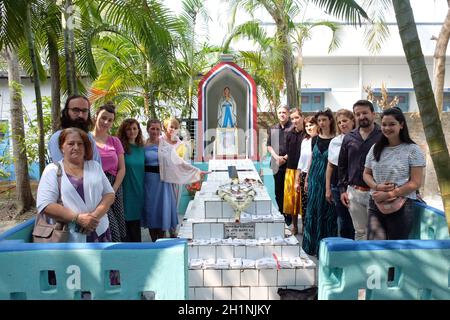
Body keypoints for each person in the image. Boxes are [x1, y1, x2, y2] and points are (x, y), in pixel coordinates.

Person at [37, 128, 115, 243]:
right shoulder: (52, 170)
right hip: (69, 237)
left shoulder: (94, 166)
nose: (76, 147)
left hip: (99, 230)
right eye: (70, 143)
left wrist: (94, 217)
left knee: (101, 261)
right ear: (61, 147)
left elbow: (109, 194)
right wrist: (78, 218)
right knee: (73, 262)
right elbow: (45, 205)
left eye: (80, 144)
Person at [363, 107, 425, 240]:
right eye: (384, 124)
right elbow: (366, 173)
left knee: (396, 250)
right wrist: (377, 187)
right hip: (376, 203)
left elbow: (415, 182)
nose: (387, 128)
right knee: (374, 248)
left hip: (402, 206)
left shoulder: (413, 150)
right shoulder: (375, 148)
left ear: (401, 125)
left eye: (392, 124)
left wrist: (389, 194)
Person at [143, 119, 205, 242]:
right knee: (150, 210)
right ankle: (153, 240)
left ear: (160, 130)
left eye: (157, 129)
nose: (155, 131)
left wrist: (196, 171)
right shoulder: (142, 145)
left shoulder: (165, 145)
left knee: (161, 210)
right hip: (148, 182)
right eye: (152, 128)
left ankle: (161, 240)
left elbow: (179, 162)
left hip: (163, 182)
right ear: (148, 129)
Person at [338, 100, 382, 240]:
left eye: (365, 113)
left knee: (376, 233)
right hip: (354, 192)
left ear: (373, 114)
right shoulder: (349, 137)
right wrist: (342, 190)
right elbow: (342, 165)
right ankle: (363, 262)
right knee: (360, 232)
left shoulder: (383, 135)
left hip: (376, 192)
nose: (361, 116)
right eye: (358, 114)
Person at [302, 109, 336, 257]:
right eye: (319, 121)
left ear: (330, 120)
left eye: (324, 120)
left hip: (328, 179)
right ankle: (311, 245)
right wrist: (307, 178)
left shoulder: (336, 139)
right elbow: (312, 159)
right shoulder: (315, 139)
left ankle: (324, 249)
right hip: (314, 178)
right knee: (312, 211)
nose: (321, 123)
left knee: (327, 213)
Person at [92, 102, 126, 242]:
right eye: (103, 118)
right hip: (95, 186)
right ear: (96, 117)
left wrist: (114, 189)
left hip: (113, 184)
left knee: (117, 222)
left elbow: (122, 168)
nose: (106, 122)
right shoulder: (87, 139)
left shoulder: (114, 141)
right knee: (108, 225)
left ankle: (117, 255)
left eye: (110, 120)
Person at [325, 109, 356, 239]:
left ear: (353, 121)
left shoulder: (360, 139)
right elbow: (330, 165)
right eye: (339, 122)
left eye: (345, 121)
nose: (342, 124)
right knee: (343, 221)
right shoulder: (335, 141)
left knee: (357, 223)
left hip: (355, 185)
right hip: (337, 185)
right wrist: (328, 189)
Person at [48, 95, 101, 164]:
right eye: (76, 110)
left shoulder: (89, 137)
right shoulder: (57, 137)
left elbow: (97, 166)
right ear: (66, 112)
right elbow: (61, 169)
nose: (81, 115)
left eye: (84, 111)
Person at [117, 119, 145, 242]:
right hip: (125, 190)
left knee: (136, 225)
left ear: (138, 130)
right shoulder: (120, 148)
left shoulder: (142, 148)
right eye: (128, 129)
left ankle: (137, 255)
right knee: (125, 225)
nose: (132, 131)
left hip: (139, 190)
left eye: (134, 128)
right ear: (124, 131)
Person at [267, 105, 292, 226]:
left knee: (288, 191)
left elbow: (295, 146)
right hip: (276, 164)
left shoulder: (293, 128)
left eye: (284, 112)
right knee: (278, 191)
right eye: (280, 112)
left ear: (288, 114)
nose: (282, 114)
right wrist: (277, 157)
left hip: (290, 164)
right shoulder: (274, 128)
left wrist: (285, 158)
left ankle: (288, 215)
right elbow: (269, 145)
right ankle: (281, 212)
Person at [295, 116, 318, 232]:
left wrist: (308, 178)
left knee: (314, 205)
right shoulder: (305, 141)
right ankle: (305, 229)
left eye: (311, 125)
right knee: (304, 206)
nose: (309, 128)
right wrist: (297, 180)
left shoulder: (320, 140)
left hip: (315, 176)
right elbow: (301, 161)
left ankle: (313, 230)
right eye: (307, 126)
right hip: (303, 175)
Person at [283, 109, 304, 235]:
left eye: (297, 117)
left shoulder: (307, 134)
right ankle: (295, 226)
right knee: (292, 201)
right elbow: (288, 152)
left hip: (303, 171)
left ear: (302, 117)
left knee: (303, 201)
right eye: (292, 119)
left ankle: (305, 226)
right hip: (290, 170)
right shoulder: (289, 134)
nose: (294, 121)